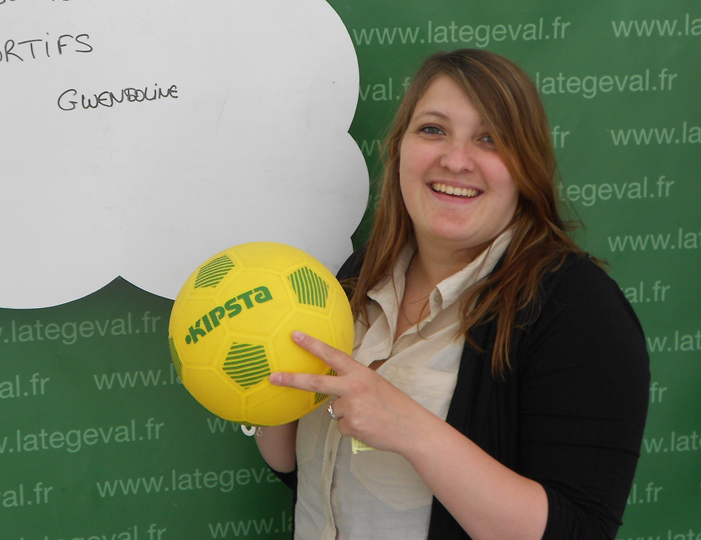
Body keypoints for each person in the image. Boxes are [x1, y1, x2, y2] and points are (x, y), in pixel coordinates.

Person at [255, 49, 649, 540]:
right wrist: (260, 397)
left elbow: (581, 531)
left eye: (490, 139)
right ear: (399, 149)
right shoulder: (359, 276)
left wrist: (409, 428)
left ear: (526, 166)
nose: (456, 160)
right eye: (433, 130)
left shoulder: (578, 309)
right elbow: (313, 479)